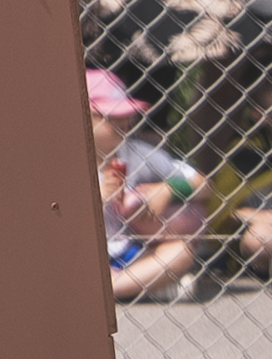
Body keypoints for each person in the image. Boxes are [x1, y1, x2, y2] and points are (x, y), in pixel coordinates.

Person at [85, 70, 202, 300]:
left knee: (182, 251)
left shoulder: (136, 153)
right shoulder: (60, 164)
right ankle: (143, 288)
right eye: (111, 117)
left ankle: (113, 289)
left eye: (127, 114)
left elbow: (202, 183)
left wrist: (168, 189)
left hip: (127, 251)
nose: (125, 122)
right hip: (82, 256)